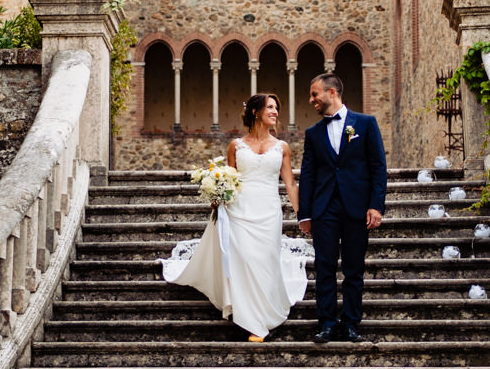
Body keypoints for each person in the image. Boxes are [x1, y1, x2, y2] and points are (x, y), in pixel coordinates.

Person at [160, 93, 309, 340]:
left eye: (276, 108)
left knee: (265, 261)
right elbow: (230, 180)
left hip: (269, 211)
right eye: (270, 107)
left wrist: (302, 216)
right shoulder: (236, 146)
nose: (275, 112)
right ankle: (254, 323)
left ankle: (264, 312)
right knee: (245, 260)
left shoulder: (282, 147)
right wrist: (217, 196)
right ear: (255, 112)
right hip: (240, 210)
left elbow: (291, 184)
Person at [296, 72, 386, 343]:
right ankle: (326, 323)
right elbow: (308, 174)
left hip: (356, 207)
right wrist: (305, 214)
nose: (311, 99)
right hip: (324, 209)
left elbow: (378, 167)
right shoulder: (313, 134)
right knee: (324, 267)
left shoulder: (366, 124)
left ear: (332, 92)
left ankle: (350, 323)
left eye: (315, 94)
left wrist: (376, 206)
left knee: (353, 268)